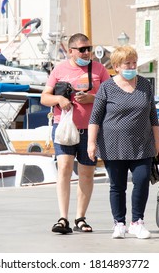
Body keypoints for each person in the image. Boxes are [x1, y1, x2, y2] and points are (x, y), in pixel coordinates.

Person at [87, 45, 159, 239]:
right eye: (127, 63)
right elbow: (95, 117)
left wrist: (157, 142)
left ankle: (137, 222)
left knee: (142, 180)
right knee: (117, 186)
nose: (132, 66)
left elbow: (153, 115)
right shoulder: (107, 87)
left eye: (134, 62)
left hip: (142, 143)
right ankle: (119, 223)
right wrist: (91, 143)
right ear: (117, 66)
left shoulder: (145, 85)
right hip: (113, 144)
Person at [40, 33, 110, 234]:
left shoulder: (99, 69)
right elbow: (45, 97)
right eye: (82, 49)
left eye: (89, 48)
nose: (87, 52)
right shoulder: (59, 69)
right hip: (64, 127)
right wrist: (59, 100)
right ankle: (63, 218)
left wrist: (92, 98)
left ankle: (80, 217)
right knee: (64, 168)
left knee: (87, 173)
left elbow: (112, 96)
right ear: (71, 51)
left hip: (91, 128)